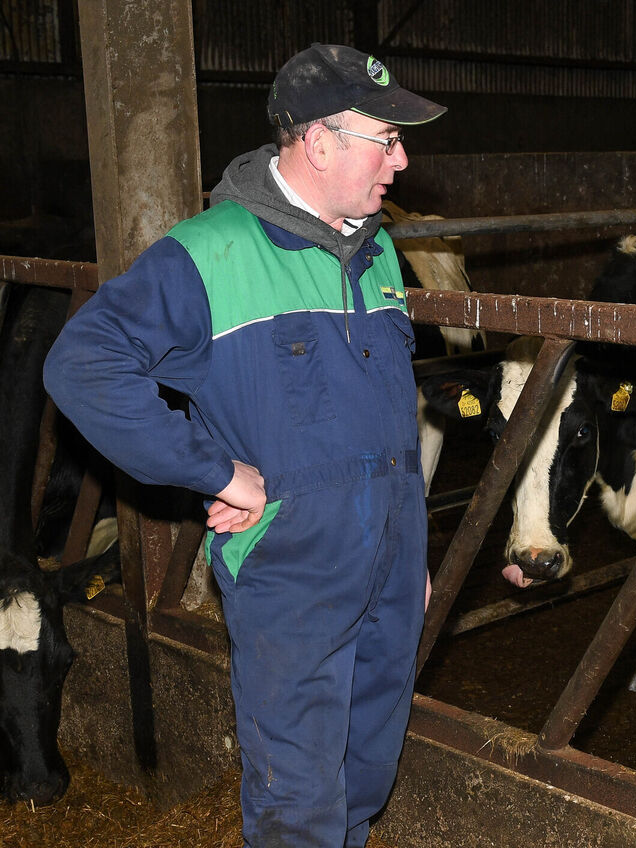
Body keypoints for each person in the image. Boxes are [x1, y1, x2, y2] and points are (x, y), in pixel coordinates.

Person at [43, 43, 445, 847]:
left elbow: (389, 417)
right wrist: (215, 472)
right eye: (385, 137)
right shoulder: (209, 252)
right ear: (319, 142)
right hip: (291, 571)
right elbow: (83, 364)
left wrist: (411, 544)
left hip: (391, 569)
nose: (401, 158)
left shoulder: (379, 253)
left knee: (364, 777)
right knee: (298, 804)